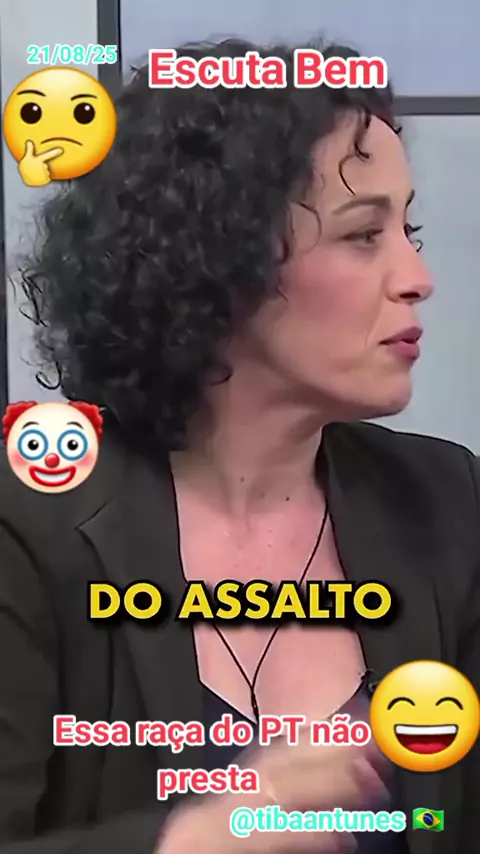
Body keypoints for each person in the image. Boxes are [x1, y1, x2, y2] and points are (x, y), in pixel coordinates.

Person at [0, 37, 478, 854]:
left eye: (410, 229)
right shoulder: (28, 526)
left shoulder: (449, 500)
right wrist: (189, 841)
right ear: (220, 262)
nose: (417, 277)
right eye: (364, 235)